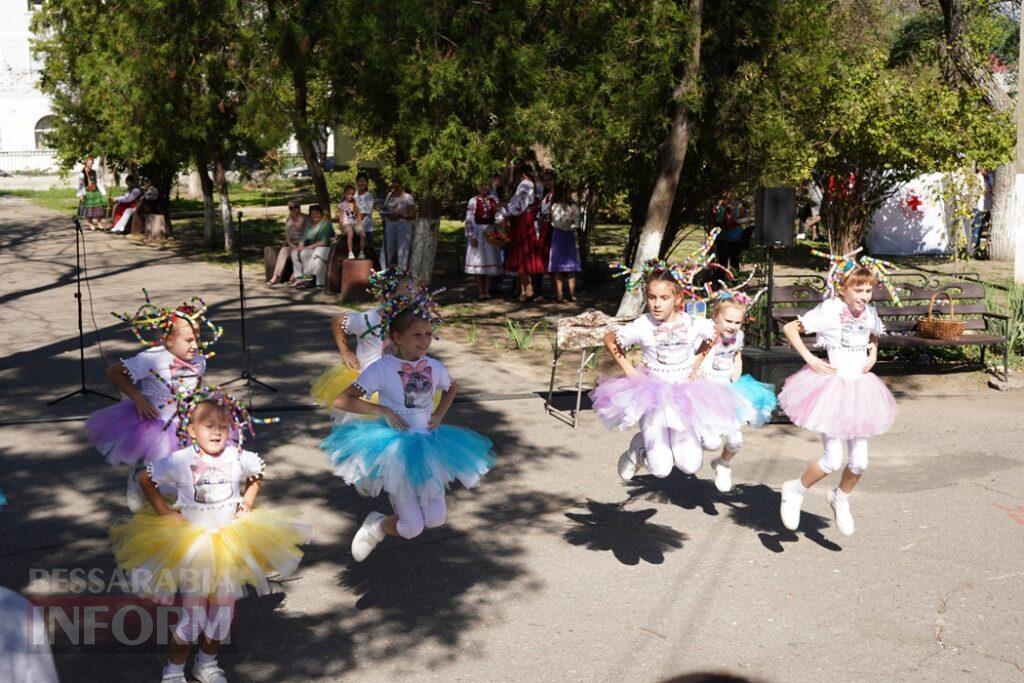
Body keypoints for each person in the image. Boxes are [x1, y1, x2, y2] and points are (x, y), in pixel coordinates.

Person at [111, 389, 310, 683]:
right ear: (191, 430)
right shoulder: (179, 460)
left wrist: (248, 500)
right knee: (192, 618)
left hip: (229, 543)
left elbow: (258, 471)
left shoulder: (237, 456)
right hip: (194, 546)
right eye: (208, 425)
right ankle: (174, 671)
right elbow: (145, 478)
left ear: (230, 429)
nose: (216, 432)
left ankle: (206, 664)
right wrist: (165, 511)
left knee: (222, 616)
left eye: (222, 426)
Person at [321, 292, 495, 562]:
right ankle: (376, 526)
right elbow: (343, 399)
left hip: (430, 444)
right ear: (397, 337)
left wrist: (439, 413)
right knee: (411, 528)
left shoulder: (434, 366)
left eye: (428, 334)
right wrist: (383, 410)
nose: (425, 341)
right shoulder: (382, 369)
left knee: (436, 520)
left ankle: (397, 518)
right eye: (417, 335)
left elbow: (452, 387)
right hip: (396, 448)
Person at [589, 262, 754, 482]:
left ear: (677, 299)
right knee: (661, 469)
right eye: (651, 297)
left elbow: (714, 334)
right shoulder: (642, 325)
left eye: (664, 298)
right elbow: (610, 338)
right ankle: (639, 451)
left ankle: (652, 447)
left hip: (685, 395)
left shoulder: (692, 322)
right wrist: (629, 369)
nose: (656, 304)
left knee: (691, 465)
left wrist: (696, 362)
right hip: (654, 395)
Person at [777, 263, 896, 536]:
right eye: (858, 289)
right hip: (832, 388)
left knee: (860, 463)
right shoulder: (830, 309)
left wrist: (873, 353)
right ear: (843, 290)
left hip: (861, 390)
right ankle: (794, 490)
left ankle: (840, 497)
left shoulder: (869, 312)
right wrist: (810, 359)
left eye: (868, 290)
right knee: (832, 460)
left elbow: (874, 333)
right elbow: (791, 329)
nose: (864, 296)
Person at [86, 294, 218, 468]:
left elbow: (195, 386)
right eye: (188, 340)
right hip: (157, 428)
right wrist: (138, 399)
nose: (195, 345)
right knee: (155, 474)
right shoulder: (153, 358)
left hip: (187, 425)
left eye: (197, 339)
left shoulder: (199, 360)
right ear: (168, 340)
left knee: (189, 472)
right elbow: (113, 372)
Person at [689, 297, 778, 492]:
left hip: (728, 389)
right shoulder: (709, 335)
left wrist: (736, 374)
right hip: (706, 389)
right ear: (716, 318)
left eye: (737, 322)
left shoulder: (738, 337)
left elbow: (736, 354)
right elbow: (697, 356)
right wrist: (693, 372)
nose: (733, 326)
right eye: (728, 321)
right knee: (711, 442)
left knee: (736, 440)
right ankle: (691, 440)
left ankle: (723, 464)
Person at [310, 267, 422, 419]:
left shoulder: (414, 321)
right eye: (404, 297)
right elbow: (338, 320)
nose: (410, 303)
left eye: (414, 298)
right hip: (370, 388)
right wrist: (346, 352)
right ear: (387, 296)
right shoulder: (368, 320)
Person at [505, 163, 547, 301]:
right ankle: (525, 290)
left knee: (522, 255)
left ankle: (528, 290)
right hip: (526, 220)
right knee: (523, 255)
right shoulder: (533, 184)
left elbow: (519, 206)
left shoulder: (525, 184)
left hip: (523, 222)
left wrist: (508, 209)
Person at [464, 182, 503, 299]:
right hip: (478, 233)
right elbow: (468, 220)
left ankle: (487, 291)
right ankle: (480, 291)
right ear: (477, 187)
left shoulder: (493, 200)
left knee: (489, 260)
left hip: (490, 233)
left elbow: (500, 217)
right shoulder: (473, 201)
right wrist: (471, 236)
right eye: (481, 185)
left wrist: (498, 213)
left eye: (486, 185)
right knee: (479, 262)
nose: (484, 187)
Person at [546, 182, 582, 303]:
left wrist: (570, 224)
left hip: (570, 236)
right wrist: (567, 222)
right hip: (559, 237)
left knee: (571, 266)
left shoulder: (574, 207)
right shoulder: (555, 206)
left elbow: (577, 222)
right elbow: (556, 222)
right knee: (558, 267)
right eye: (567, 192)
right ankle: (560, 294)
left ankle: (572, 293)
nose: (569, 194)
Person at [290, 204, 334, 289]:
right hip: (314, 249)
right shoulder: (310, 225)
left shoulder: (326, 223)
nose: (315, 215)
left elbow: (325, 241)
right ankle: (299, 277)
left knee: (305, 253)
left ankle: (305, 279)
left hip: (324, 249)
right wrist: (300, 246)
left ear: (321, 214)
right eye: (313, 214)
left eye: (317, 213)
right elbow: (303, 239)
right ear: (310, 215)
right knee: (294, 253)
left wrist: (307, 247)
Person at [267, 200, 310, 286]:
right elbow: (288, 239)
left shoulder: (307, 218)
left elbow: (310, 235)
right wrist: (293, 246)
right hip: (293, 245)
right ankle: (275, 277)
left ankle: (296, 278)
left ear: (300, 207)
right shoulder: (288, 220)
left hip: (305, 244)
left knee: (299, 254)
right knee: (284, 250)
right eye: (291, 208)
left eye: (296, 207)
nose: (294, 209)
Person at [707, 190, 751, 271]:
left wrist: (738, 222)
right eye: (722, 197)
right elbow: (718, 224)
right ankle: (720, 282)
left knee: (735, 262)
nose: (724, 199)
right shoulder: (718, 208)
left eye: (726, 197)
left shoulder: (740, 206)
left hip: (736, 238)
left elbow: (746, 219)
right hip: (722, 239)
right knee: (722, 263)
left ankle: (734, 281)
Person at [382, 179, 416, 269]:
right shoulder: (389, 196)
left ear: (401, 186)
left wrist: (400, 215)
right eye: (393, 187)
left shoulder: (408, 198)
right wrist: (385, 214)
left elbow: (412, 215)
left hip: (403, 225)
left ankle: (402, 271)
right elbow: (385, 208)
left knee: (403, 249)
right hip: (390, 224)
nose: (395, 189)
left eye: (397, 186)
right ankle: (383, 270)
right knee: (387, 248)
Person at [77, 155, 106, 230]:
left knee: (98, 208)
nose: (91, 164)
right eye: (90, 163)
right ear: (86, 162)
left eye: (92, 163)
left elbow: (98, 182)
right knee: (89, 209)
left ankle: (99, 223)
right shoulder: (82, 173)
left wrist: (102, 191)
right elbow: (81, 185)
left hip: (95, 191)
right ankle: (91, 224)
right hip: (87, 192)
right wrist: (81, 195)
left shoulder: (94, 172)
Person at [337, 184, 365, 260]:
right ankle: (350, 252)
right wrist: (341, 228)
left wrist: (360, 224)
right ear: (344, 194)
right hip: (346, 224)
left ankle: (362, 252)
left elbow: (358, 216)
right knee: (350, 232)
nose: (350, 196)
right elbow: (341, 218)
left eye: (352, 194)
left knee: (362, 234)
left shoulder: (355, 204)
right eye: (348, 194)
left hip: (354, 223)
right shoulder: (341, 205)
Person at [355, 172, 376, 258]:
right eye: (360, 181)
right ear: (357, 182)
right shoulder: (354, 195)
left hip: (366, 229)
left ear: (367, 183)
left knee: (368, 253)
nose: (362, 183)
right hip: (356, 228)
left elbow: (363, 214)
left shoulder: (368, 196)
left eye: (364, 181)